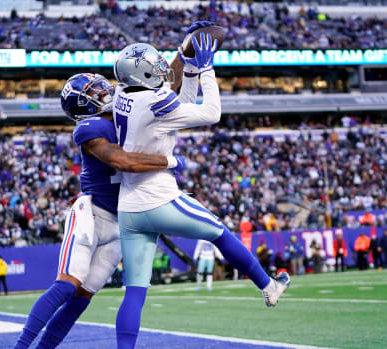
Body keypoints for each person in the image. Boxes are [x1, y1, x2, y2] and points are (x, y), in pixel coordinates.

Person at [112, 33, 289, 349]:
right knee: (220, 233)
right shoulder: (155, 101)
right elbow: (210, 113)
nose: (162, 70)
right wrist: (206, 69)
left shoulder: (122, 96)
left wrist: (189, 69)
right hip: (159, 199)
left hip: (129, 209)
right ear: (142, 73)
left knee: (134, 292)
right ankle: (268, 285)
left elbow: (180, 107)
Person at [15, 73, 185, 349]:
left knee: (81, 300)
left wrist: (184, 51)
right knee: (67, 285)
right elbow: (122, 160)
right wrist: (170, 161)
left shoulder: (127, 115)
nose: (107, 91)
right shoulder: (90, 127)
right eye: (97, 91)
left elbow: (164, 86)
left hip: (121, 224)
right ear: (83, 105)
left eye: (103, 87)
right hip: (92, 213)